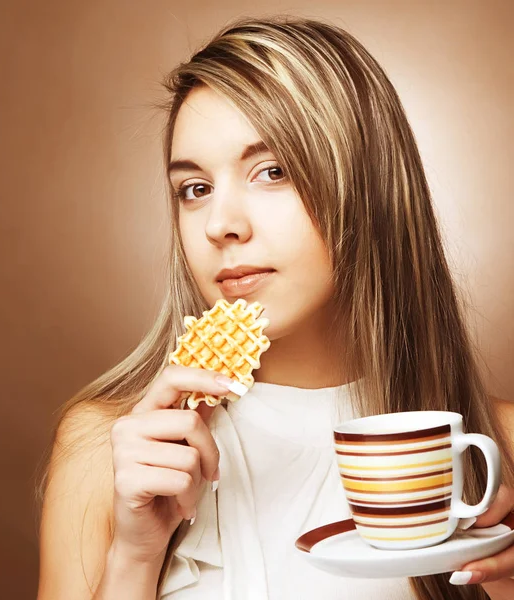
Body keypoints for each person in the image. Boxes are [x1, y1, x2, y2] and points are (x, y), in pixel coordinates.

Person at [35, 14, 514, 600]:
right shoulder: (105, 449)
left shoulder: (501, 447)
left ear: (367, 189)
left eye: (273, 171)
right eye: (195, 188)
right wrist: (134, 558)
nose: (220, 225)